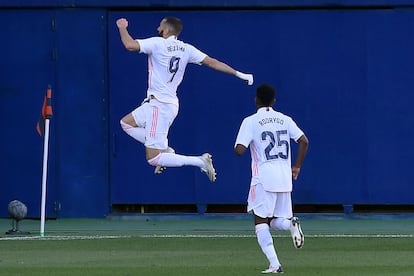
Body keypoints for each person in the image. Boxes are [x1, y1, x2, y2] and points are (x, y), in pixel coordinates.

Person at [116, 16, 254, 182]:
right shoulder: (186, 48)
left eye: (160, 27)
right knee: (126, 123)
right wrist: (240, 74)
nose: (157, 29)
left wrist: (122, 27)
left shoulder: (158, 43)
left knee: (153, 159)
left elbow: (129, 45)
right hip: (164, 104)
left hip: (159, 106)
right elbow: (213, 62)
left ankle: (199, 161)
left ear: (166, 30)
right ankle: (165, 148)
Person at [234, 84, 309, 273]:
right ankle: (291, 224)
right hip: (285, 178)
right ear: (274, 101)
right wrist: (297, 166)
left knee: (261, 222)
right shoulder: (285, 119)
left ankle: (275, 264)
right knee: (276, 221)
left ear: (256, 99)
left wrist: (247, 142)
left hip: (263, 178)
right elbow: (304, 141)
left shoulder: (250, 121)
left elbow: (239, 150)